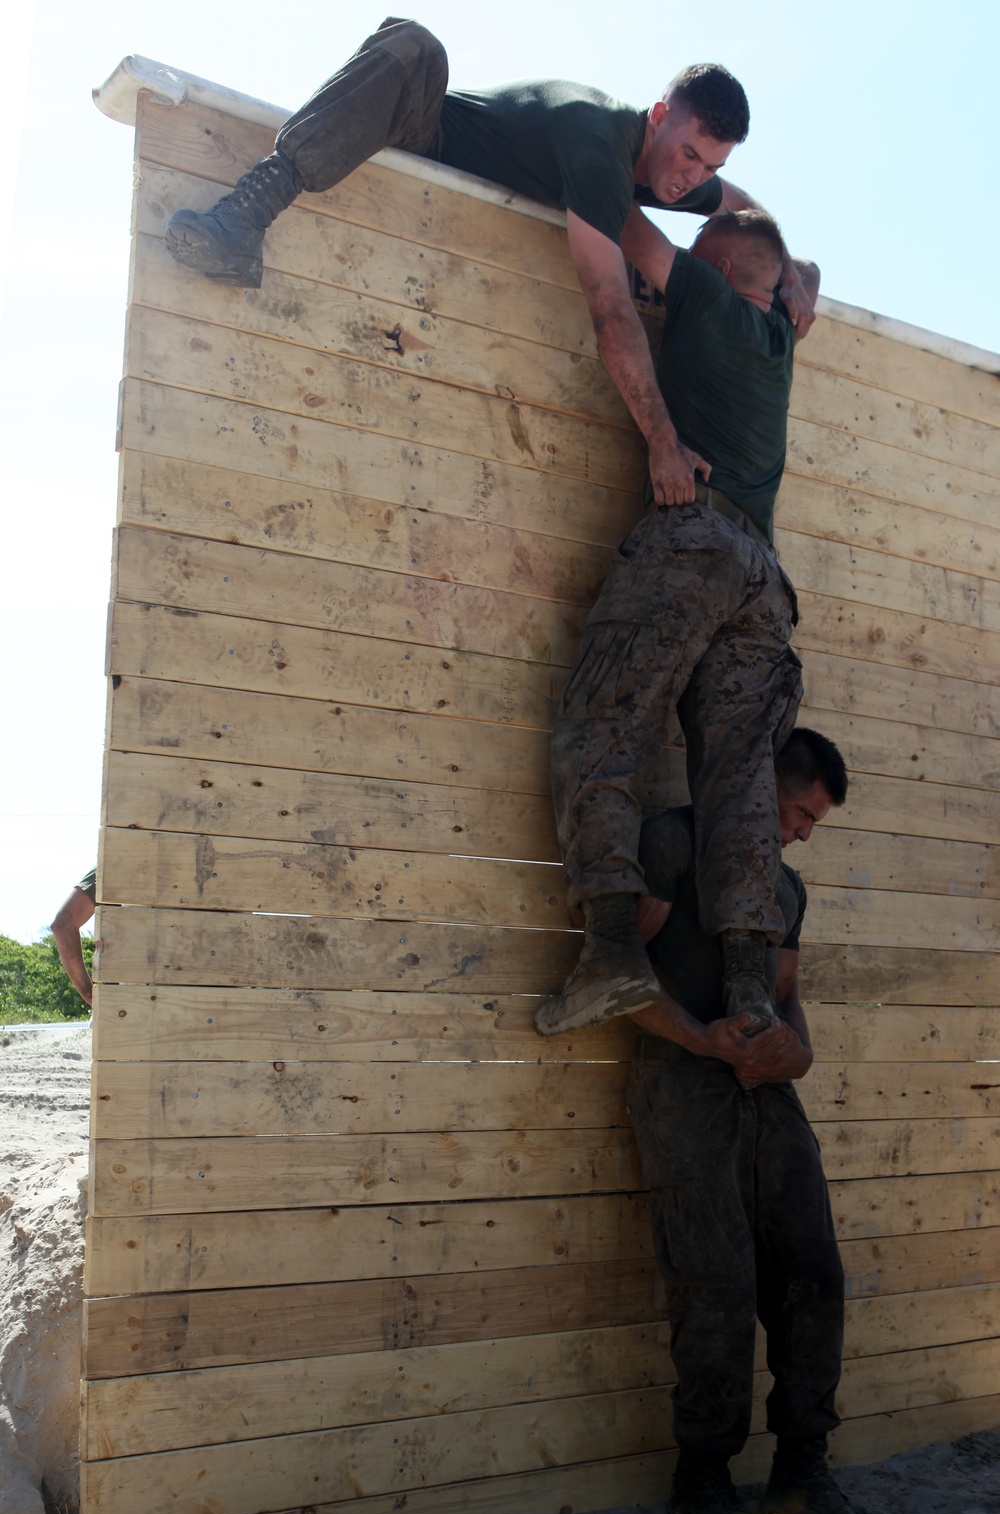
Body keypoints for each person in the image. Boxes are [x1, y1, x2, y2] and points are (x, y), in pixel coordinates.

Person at [163, 17, 815, 508]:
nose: (690, 177)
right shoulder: (599, 146)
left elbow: (739, 209)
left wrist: (793, 267)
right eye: (688, 154)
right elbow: (611, 312)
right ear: (660, 116)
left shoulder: (672, 172)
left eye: (709, 165)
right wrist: (664, 442)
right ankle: (241, 217)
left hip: (457, 218)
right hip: (428, 136)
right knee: (415, 44)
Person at [535, 209, 820, 1040]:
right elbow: (790, 260)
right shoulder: (778, 333)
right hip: (763, 580)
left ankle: (613, 952)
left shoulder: (707, 289)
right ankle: (750, 991)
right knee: (740, 787)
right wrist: (804, 272)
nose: (676, 275)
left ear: (722, 270)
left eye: (696, 259)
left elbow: (614, 221)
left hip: (691, 538)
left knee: (603, 730)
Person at [625, 728, 887, 1514]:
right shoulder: (674, 840)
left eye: (814, 822)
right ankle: (701, 1487)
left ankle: (802, 1477)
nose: (804, 831)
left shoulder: (786, 888)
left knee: (815, 1272)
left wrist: (796, 1054)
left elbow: (788, 999)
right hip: (684, 1086)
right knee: (718, 1283)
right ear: (765, 782)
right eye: (799, 811)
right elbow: (618, 973)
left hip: (768, 1098)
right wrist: (704, 1041)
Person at [50, 867, 96, 1008]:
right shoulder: (114, 863)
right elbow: (63, 925)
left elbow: (63, 925)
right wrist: (90, 994)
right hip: (124, 1006)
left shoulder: (114, 863)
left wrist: (91, 995)